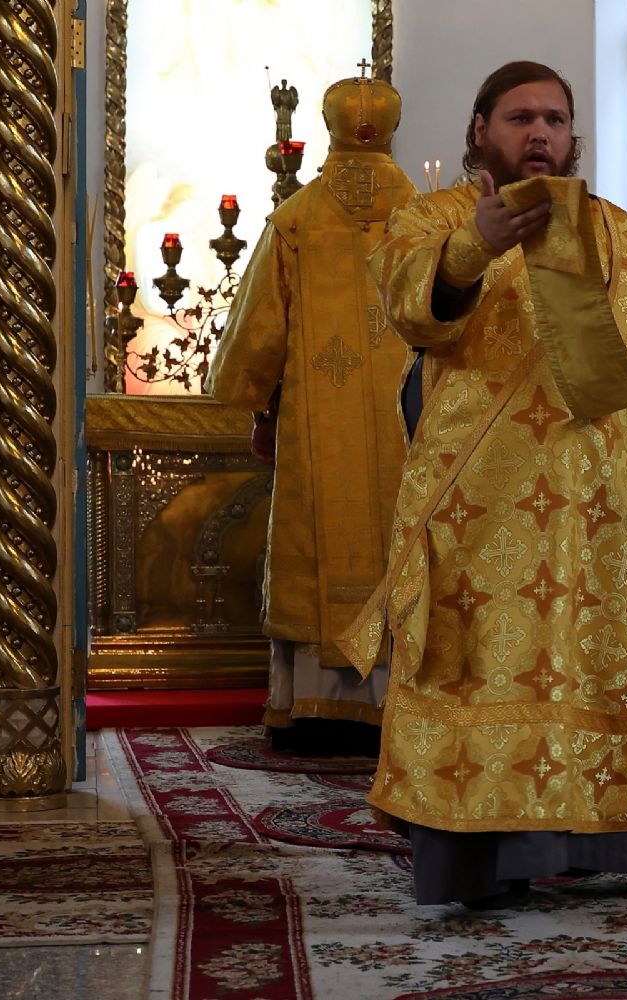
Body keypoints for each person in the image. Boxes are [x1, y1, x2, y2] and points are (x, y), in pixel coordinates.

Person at [344, 61, 627, 908]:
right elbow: (410, 310)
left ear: (572, 134)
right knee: (483, 673)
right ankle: (481, 863)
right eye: (520, 118)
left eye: (554, 118)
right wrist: (477, 244)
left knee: (616, 669)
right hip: (480, 508)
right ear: (481, 130)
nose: (540, 133)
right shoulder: (434, 220)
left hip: (607, 507)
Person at [207, 70, 414, 756]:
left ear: (330, 126)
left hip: (313, 419)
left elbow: (259, 334)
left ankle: (314, 708)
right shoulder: (424, 217)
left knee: (312, 540)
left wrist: (258, 408)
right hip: (414, 423)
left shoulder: (297, 219)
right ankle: (399, 710)